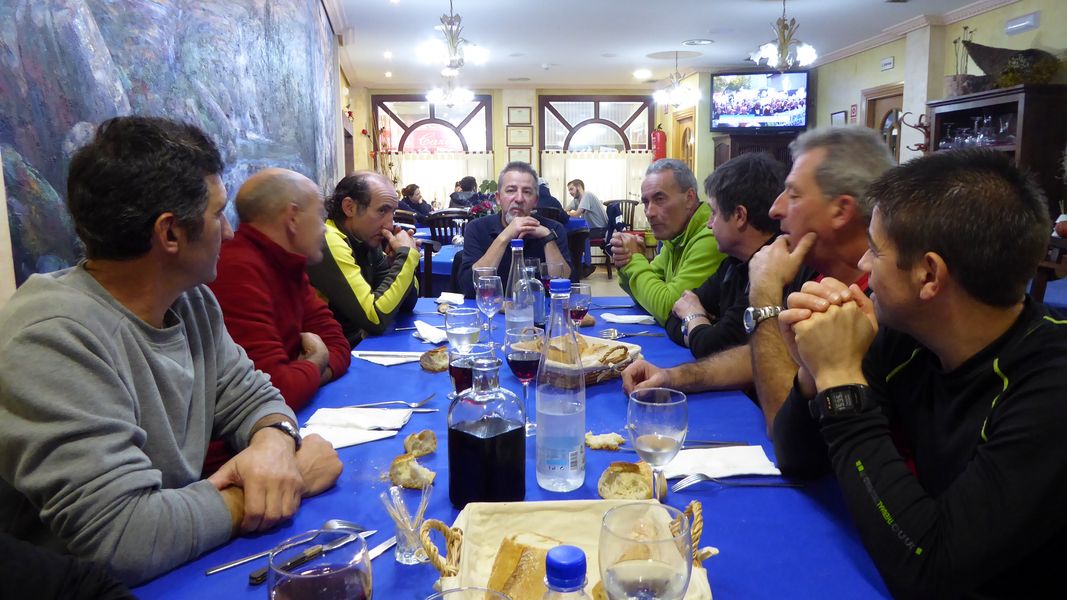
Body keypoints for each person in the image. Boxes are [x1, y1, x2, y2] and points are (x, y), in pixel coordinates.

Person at [0, 116, 342, 585]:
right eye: (218, 214)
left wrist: (275, 441)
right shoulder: (51, 338)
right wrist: (286, 482)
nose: (229, 232)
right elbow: (123, 537)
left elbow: (254, 397)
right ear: (170, 234)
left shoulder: (191, 301)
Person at [773, 149, 1067, 598]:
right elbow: (797, 460)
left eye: (875, 249)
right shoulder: (905, 335)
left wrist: (840, 378)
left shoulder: (1050, 389)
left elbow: (928, 569)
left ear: (929, 275)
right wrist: (813, 373)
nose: (863, 265)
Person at [623, 127, 894, 436]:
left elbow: (783, 432)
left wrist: (765, 294)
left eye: (794, 194)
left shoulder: (882, 306)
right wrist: (673, 377)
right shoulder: (808, 271)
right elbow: (757, 354)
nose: (775, 209)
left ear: (841, 210)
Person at [205, 168, 351, 473]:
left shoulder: (288, 265)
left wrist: (304, 373)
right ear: (293, 217)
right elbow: (278, 389)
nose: (325, 229)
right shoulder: (238, 269)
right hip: (236, 462)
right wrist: (316, 361)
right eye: (320, 216)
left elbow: (338, 344)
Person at [664, 153, 788, 359]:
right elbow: (674, 315)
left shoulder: (775, 271)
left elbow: (712, 347)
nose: (709, 224)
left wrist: (694, 316)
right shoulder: (733, 264)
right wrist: (701, 328)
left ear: (739, 216)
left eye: (714, 213)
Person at [307, 171, 419, 345]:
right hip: (334, 352)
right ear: (349, 207)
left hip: (357, 345)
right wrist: (406, 258)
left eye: (392, 212)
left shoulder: (366, 239)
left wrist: (397, 264)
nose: (389, 225)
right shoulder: (329, 240)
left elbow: (406, 305)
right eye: (382, 210)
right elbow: (375, 318)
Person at [609, 159, 726, 325]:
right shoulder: (676, 236)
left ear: (689, 198)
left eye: (659, 199)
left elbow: (668, 309)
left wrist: (635, 259)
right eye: (646, 202)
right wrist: (626, 262)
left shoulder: (711, 236)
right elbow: (644, 297)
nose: (649, 212)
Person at [459, 162, 571, 297]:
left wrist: (548, 238)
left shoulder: (554, 229)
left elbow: (566, 285)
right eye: (511, 190)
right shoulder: (477, 228)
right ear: (498, 198)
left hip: (539, 309)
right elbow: (471, 287)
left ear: (535, 201)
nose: (519, 199)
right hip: (491, 308)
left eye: (527, 192)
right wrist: (505, 236)